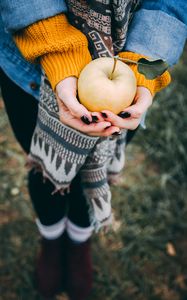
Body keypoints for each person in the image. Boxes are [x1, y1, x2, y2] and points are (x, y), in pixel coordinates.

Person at [0, 1, 186, 299]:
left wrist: (142, 62)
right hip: (32, 60)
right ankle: (51, 240)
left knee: (89, 168)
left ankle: (78, 241)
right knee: (45, 166)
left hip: (127, 59)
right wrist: (59, 50)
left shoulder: (131, 71)